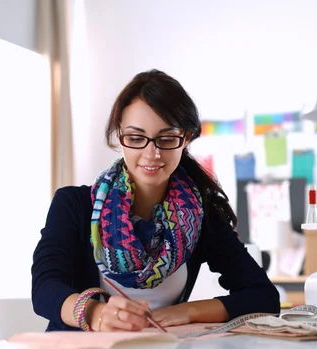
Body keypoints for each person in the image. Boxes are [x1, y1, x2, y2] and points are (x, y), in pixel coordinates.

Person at [32, 69, 280, 332]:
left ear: (184, 139)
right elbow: (45, 289)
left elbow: (263, 296)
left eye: (167, 139)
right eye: (137, 138)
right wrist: (96, 314)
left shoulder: (199, 214)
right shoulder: (74, 204)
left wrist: (188, 311)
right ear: (120, 137)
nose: (153, 153)